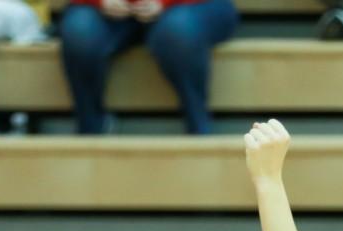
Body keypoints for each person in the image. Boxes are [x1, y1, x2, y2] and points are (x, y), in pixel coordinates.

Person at [59, 0, 239, 134]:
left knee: (178, 30)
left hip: (192, 7)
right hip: (105, 12)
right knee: (79, 30)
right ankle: (90, 129)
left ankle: (199, 128)